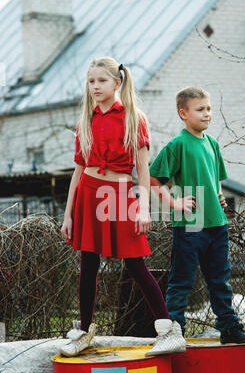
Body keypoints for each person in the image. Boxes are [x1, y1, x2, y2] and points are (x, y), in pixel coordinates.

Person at [60, 57, 186, 357]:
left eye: (101, 81)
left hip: (119, 194)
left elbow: (143, 169)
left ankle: (168, 330)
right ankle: (85, 331)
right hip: (87, 194)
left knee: (135, 264)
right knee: (87, 265)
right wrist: (68, 214)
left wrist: (143, 207)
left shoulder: (133, 117)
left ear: (117, 83)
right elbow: (78, 170)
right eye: (91, 82)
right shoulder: (85, 121)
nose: (95, 87)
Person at [149, 87, 245, 345]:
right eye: (200, 109)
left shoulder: (212, 144)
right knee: (182, 283)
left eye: (208, 108)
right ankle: (173, 333)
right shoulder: (177, 145)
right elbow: (154, 179)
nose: (207, 113)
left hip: (216, 223)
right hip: (191, 223)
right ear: (183, 113)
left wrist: (219, 196)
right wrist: (174, 203)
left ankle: (229, 329)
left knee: (220, 282)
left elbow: (216, 180)